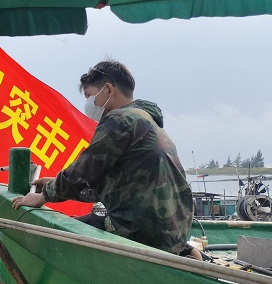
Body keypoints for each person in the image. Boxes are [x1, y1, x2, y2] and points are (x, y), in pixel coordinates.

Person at [12, 60, 196, 258]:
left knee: (56, 237)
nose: (89, 104)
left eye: (90, 96)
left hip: (139, 231)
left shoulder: (120, 120)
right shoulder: (147, 122)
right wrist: (54, 183)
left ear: (108, 90)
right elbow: (113, 188)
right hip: (173, 232)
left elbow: (83, 171)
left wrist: (43, 196)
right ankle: (189, 251)